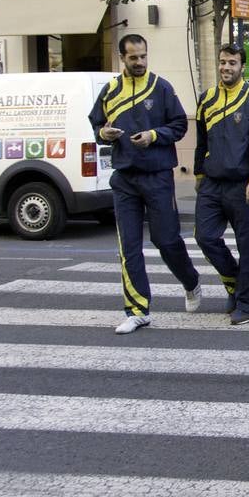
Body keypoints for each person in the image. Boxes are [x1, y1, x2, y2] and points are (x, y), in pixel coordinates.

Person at [90, 34, 202, 334]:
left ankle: (191, 281)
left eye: (143, 56)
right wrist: (103, 134)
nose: (140, 62)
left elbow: (179, 125)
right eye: (133, 58)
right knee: (128, 247)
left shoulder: (161, 87)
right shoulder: (110, 90)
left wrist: (153, 136)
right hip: (124, 178)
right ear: (122, 58)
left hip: (158, 176)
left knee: (166, 240)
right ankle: (137, 310)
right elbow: (96, 124)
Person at [193, 44, 249, 326]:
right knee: (205, 237)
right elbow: (201, 141)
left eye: (232, 63)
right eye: (223, 62)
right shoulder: (206, 99)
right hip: (211, 184)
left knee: (248, 248)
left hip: (243, 185)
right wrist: (199, 174)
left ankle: (247, 303)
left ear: (242, 66)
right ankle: (234, 282)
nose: (226, 67)